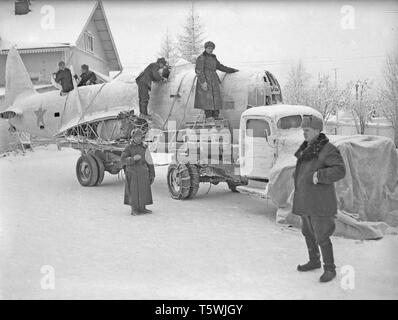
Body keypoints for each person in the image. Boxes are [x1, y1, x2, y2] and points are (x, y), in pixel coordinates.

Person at [292, 115, 346, 283]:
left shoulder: (327, 149)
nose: (304, 133)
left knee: (322, 235)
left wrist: (319, 175)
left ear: (317, 130)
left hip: (320, 202)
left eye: (306, 130)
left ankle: (330, 268)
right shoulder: (308, 148)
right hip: (305, 199)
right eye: (303, 130)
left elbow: (340, 170)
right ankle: (314, 260)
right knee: (308, 232)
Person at [194, 41, 239, 121]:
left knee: (216, 98)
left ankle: (216, 115)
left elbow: (220, 67)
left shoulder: (213, 58)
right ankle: (208, 116)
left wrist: (231, 70)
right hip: (206, 80)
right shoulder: (201, 57)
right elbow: (198, 70)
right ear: (205, 48)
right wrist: (203, 82)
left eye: (212, 48)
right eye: (209, 48)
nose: (211, 50)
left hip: (214, 80)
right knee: (207, 99)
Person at [121, 128, 155, 215]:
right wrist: (132, 159)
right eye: (136, 136)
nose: (138, 138)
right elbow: (123, 159)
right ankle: (134, 209)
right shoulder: (128, 147)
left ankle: (143, 208)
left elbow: (149, 161)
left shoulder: (144, 147)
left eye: (140, 136)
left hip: (143, 172)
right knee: (133, 191)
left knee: (144, 190)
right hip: (132, 172)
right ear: (133, 137)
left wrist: (152, 174)